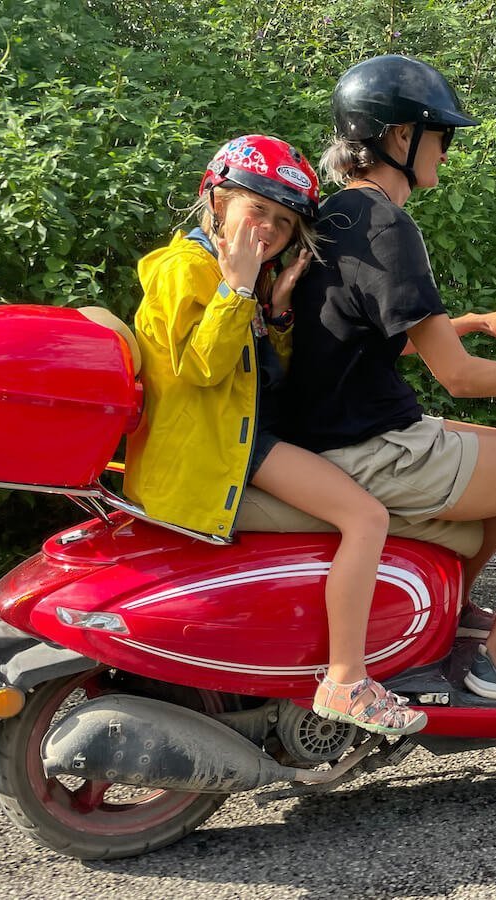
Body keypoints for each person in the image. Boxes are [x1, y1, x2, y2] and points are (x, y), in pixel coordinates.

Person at [285, 56, 496, 706]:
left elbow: (371, 336)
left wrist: (473, 321)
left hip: (333, 434)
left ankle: (450, 613)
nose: (446, 149)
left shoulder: (339, 215)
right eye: (440, 134)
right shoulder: (388, 227)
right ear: (400, 136)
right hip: (371, 448)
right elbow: (460, 377)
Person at [124, 134, 425, 735]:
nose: (268, 229)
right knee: (366, 518)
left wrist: (278, 307)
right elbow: (203, 368)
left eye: (284, 222)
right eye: (257, 209)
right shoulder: (186, 269)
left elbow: (263, 374)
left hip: (242, 437)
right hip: (223, 449)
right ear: (216, 200)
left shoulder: (241, 274)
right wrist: (237, 289)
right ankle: (345, 681)